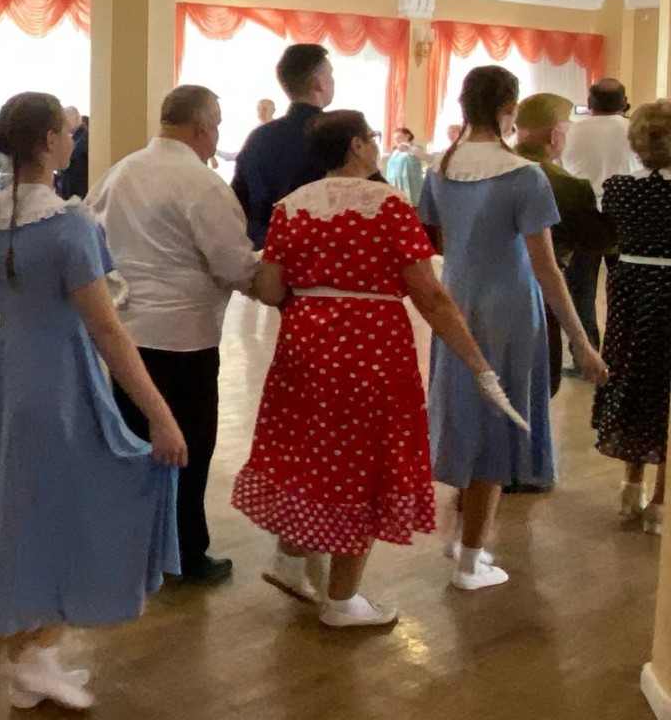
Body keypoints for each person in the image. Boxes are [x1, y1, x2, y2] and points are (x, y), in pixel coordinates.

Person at [232, 110, 506, 626]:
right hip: (371, 346)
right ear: (357, 146)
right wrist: (477, 361)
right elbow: (429, 295)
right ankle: (342, 599)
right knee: (364, 463)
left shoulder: (293, 206)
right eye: (371, 139)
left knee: (308, 449)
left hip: (303, 343)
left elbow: (269, 289)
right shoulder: (389, 206)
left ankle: (290, 558)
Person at [0, 91, 185, 710]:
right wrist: (161, 415)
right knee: (74, 508)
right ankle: (35, 655)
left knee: (27, 513)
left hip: (9, 377)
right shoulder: (70, 226)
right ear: (48, 142)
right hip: (61, 382)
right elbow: (108, 331)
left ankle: (33, 654)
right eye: (67, 130)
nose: (73, 138)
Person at [419, 66, 607, 591]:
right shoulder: (524, 176)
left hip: (456, 302)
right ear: (509, 112)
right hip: (508, 309)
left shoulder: (442, 168)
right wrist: (581, 340)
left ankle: (462, 538)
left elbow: (437, 241)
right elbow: (546, 268)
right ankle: (470, 559)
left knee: (465, 414)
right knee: (499, 423)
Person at [87, 85, 260, 587]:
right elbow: (232, 262)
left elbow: (91, 239)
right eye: (217, 125)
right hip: (185, 336)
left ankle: (133, 547)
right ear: (202, 126)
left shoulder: (120, 172)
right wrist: (265, 274)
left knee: (136, 440)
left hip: (127, 332)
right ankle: (183, 552)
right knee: (189, 446)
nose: (217, 136)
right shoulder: (201, 183)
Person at [592, 100, 671, 534]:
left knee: (633, 378)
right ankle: (661, 500)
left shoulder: (619, 187)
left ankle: (631, 485)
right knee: (665, 391)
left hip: (630, 291)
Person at [512, 94, 614, 399]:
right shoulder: (565, 185)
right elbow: (599, 240)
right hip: (540, 298)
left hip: (484, 293)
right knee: (540, 385)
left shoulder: (495, 170)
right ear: (556, 134)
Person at [561, 78, 640, 351]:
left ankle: (585, 352)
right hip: (627, 213)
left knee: (581, 288)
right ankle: (623, 350)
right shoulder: (634, 130)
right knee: (625, 288)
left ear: (589, 102)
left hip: (583, 214)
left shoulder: (571, 131)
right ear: (624, 103)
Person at [231, 43, 335, 248]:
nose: (333, 81)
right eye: (331, 74)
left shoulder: (258, 138)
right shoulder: (336, 134)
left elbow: (237, 203)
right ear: (319, 83)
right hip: (321, 253)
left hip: (267, 250)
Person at [385, 126, 429, 206]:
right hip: (394, 183)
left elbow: (422, 156)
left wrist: (409, 148)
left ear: (407, 136)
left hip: (408, 183)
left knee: (409, 204)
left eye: (399, 137)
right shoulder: (395, 151)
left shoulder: (415, 148)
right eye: (395, 139)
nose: (397, 141)